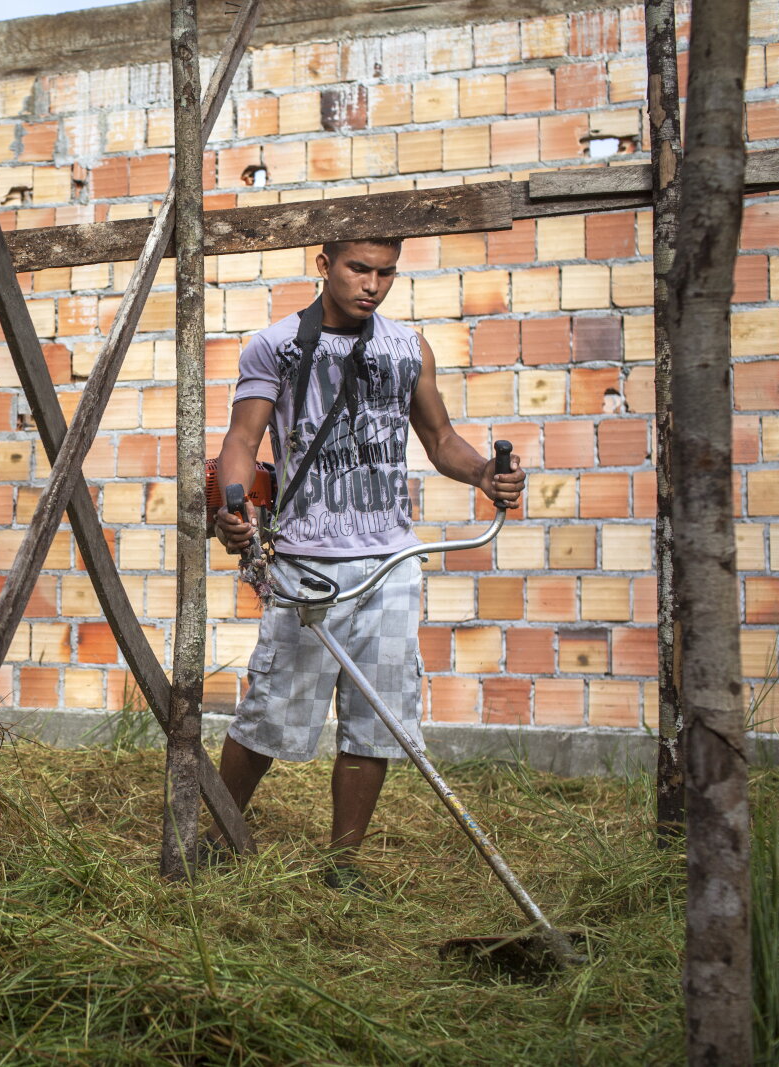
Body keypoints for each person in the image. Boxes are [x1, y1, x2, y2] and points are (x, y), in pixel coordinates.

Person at [210, 237, 525, 890]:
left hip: (391, 565)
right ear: (325, 265)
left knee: (376, 722)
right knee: (270, 711)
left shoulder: (408, 347)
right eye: (359, 268)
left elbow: (440, 440)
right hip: (309, 567)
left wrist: (485, 474)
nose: (373, 284)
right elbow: (242, 438)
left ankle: (341, 863)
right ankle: (211, 834)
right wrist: (233, 503)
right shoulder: (276, 345)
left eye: (386, 272)